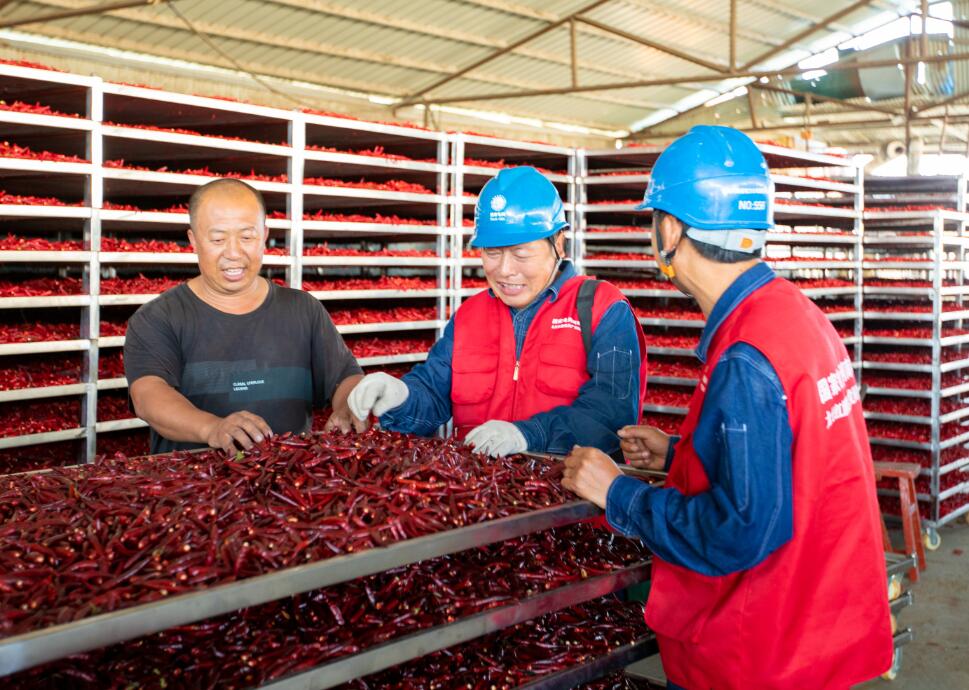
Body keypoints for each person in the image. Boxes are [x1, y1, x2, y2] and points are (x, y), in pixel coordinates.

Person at [561, 126, 892, 689]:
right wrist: (681, 455)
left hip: (759, 650)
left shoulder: (746, 357)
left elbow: (735, 533)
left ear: (669, 229)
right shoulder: (794, 315)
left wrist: (618, 492)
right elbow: (791, 458)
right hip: (815, 623)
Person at [348, 166, 647, 457]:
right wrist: (400, 396)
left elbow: (611, 415)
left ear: (558, 243)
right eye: (492, 253)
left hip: (571, 498)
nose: (504, 270)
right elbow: (433, 390)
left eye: (521, 253)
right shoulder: (469, 316)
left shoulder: (602, 308)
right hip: (477, 498)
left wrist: (527, 435)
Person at [124, 178, 365, 455]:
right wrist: (212, 428)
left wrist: (350, 404)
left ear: (264, 236)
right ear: (193, 240)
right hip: (196, 489)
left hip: (288, 485)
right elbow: (149, 396)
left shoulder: (303, 310)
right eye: (217, 239)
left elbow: (345, 378)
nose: (234, 252)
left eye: (247, 236)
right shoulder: (157, 318)